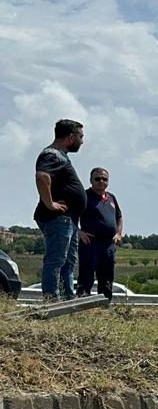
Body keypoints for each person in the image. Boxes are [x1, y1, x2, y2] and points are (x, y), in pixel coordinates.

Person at [33, 119, 87, 301]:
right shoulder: (52, 154)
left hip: (69, 220)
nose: (82, 141)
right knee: (56, 259)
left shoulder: (61, 156)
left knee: (68, 262)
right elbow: (42, 176)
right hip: (58, 219)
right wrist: (50, 203)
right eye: (80, 136)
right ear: (71, 137)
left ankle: (67, 300)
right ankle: (51, 300)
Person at [76, 167, 123, 299]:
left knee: (107, 278)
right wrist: (79, 232)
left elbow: (119, 217)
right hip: (90, 243)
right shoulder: (84, 196)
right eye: (97, 179)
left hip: (108, 245)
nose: (101, 181)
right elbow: (71, 216)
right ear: (91, 180)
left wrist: (118, 233)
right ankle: (82, 304)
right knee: (86, 277)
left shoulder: (111, 197)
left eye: (104, 179)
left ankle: (104, 306)